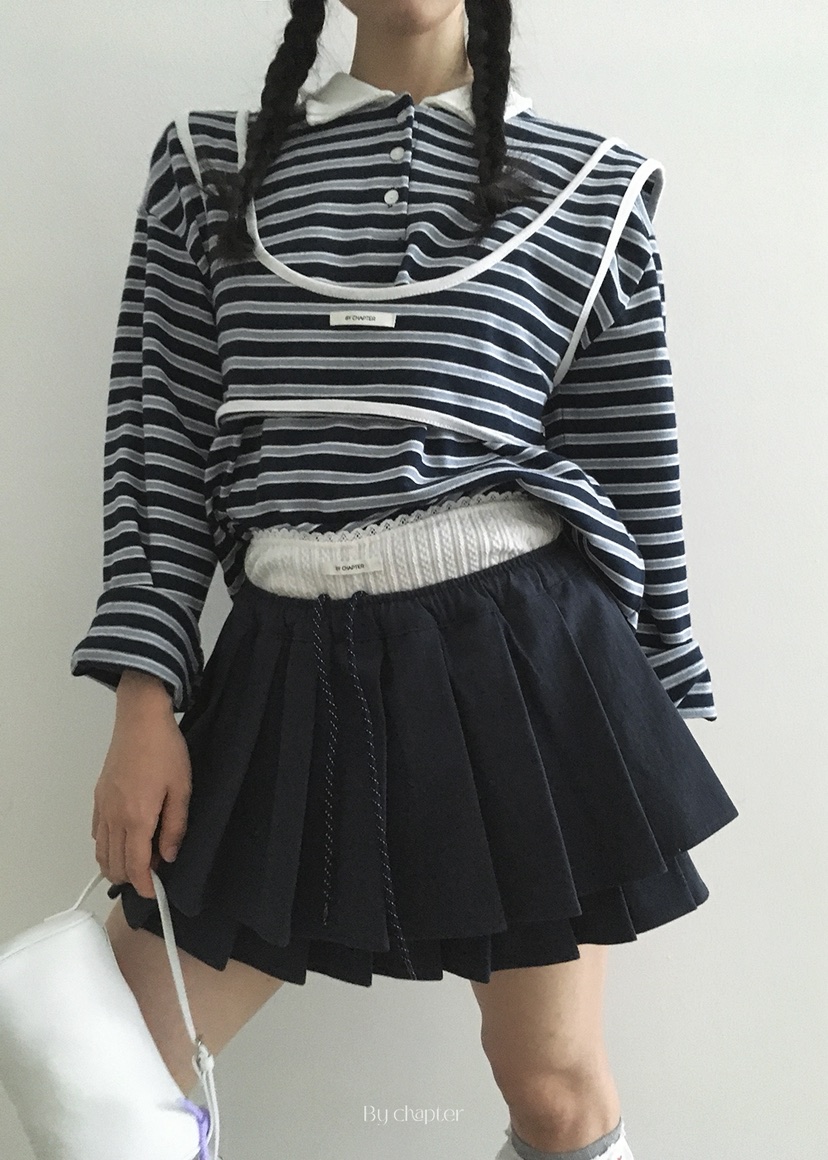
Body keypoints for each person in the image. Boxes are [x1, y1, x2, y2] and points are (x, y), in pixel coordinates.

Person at [71, 2, 740, 1159]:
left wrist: (645, 728)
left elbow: (633, 465)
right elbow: (158, 439)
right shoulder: (207, 168)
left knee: (554, 1090)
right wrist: (144, 700)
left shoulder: (593, 185)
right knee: (100, 1071)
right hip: (282, 655)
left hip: (523, 657)